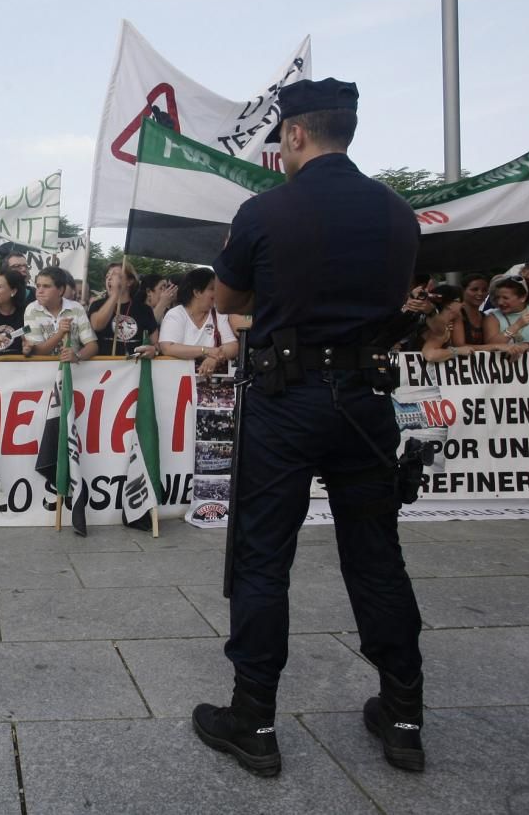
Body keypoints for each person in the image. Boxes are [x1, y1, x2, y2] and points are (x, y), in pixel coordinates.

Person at [195, 78, 426, 778]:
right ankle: (404, 712)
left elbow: (229, 297)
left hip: (286, 395)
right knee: (375, 551)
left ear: (295, 133)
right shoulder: (397, 213)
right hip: (365, 396)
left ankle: (254, 718)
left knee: (265, 554)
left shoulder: (266, 210)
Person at [158, 267, 237, 378]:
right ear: (197, 292)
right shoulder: (176, 314)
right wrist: (205, 351)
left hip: (213, 385)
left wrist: (214, 358)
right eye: (212, 288)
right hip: (179, 382)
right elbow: (167, 347)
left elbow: (233, 346)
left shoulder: (218, 314)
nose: (217, 293)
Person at [23, 266, 97, 363]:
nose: (40, 291)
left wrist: (77, 356)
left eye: (46, 286)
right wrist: (60, 333)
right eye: (38, 286)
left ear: (61, 290)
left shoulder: (76, 308)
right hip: (42, 373)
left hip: (73, 373)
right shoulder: (31, 309)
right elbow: (37, 351)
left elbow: (93, 346)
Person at [89, 261, 159, 357]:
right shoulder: (97, 305)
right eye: (107, 276)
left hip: (133, 366)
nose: (109, 278)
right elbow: (97, 325)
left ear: (129, 281)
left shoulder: (144, 310)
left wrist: (154, 350)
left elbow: (156, 343)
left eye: (115, 275)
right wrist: (115, 295)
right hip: (103, 369)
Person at [483, 274, 529, 356]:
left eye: (505, 298)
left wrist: (526, 346)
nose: (500, 302)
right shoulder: (492, 317)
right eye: (497, 297)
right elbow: (491, 346)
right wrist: (516, 326)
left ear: (523, 297)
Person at [450, 272, 489, 347]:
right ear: (463, 291)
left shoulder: (485, 316)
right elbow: (460, 345)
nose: (480, 293)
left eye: (484, 290)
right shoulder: (456, 313)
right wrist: (495, 346)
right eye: (474, 289)